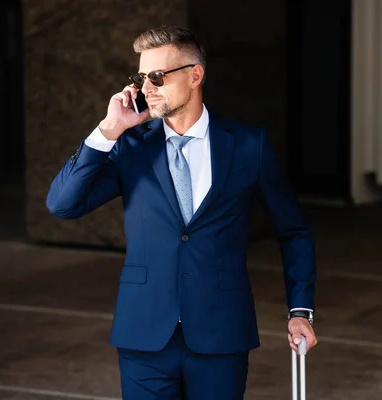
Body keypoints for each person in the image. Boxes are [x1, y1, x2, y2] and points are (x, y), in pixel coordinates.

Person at [46, 25, 317, 399]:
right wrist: (108, 130)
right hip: (143, 334)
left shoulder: (247, 146)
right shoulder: (131, 147)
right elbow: (62, 203)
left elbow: (294, 230)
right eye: (141, 78)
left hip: (221, 333)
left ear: (195, 75)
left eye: (157, 76)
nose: (146, 88)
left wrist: (300, 309)